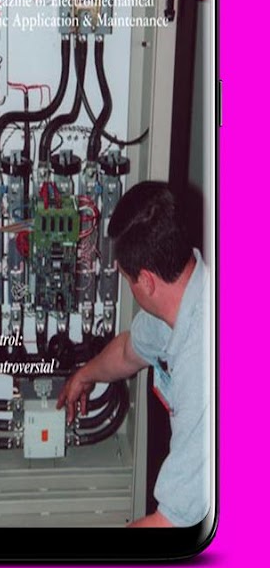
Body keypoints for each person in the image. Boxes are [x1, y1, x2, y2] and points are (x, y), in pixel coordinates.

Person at [57, 181, 210, 527]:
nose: (128, 285)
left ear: (147, 282)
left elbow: (170, 525)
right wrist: (84, 375)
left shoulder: (202, 365)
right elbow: (129, 350)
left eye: (127, 279)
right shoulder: (186, 292)